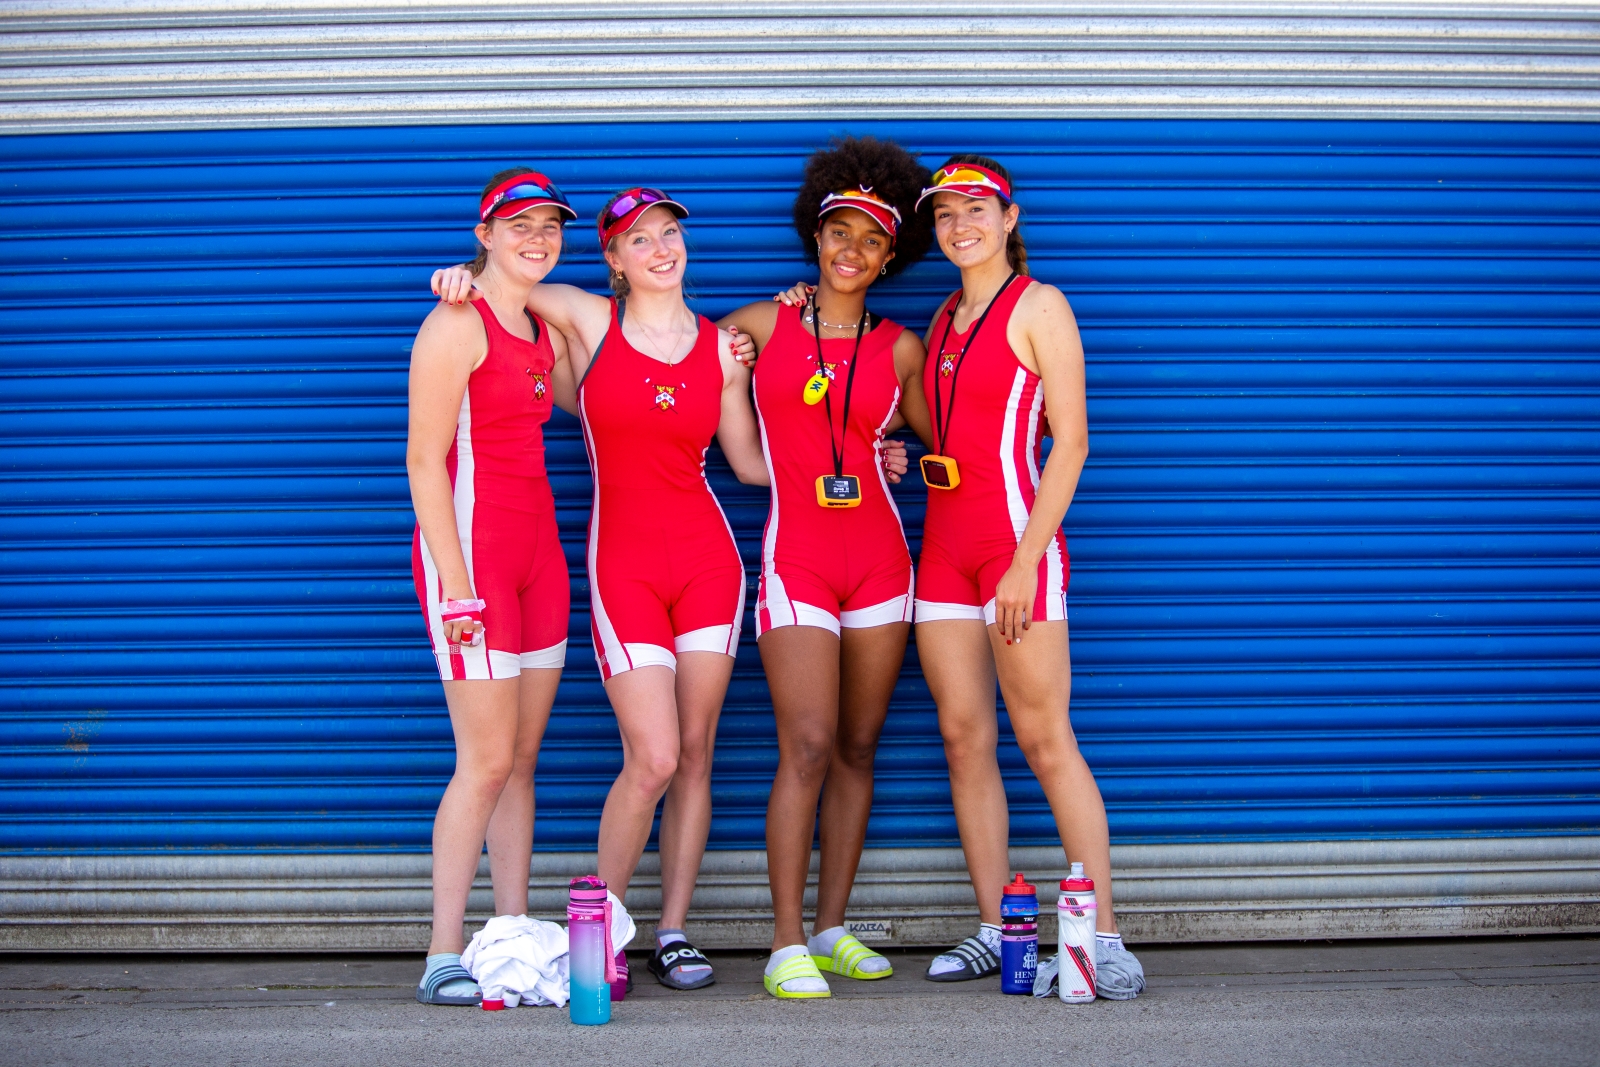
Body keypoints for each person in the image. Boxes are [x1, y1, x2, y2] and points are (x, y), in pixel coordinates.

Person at [433, 189, 766, 993]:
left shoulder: (724, 349)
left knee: (694, 755)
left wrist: (867, 456)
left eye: (670, 234)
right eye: (638, 240)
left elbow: (753, 464)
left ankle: (674, 929)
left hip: (710, 564)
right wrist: (457, 276)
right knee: (650, 756)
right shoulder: (585, 317)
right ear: (612, 259)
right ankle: (602, 930)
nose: (660, 249)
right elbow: (501, 283)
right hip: (623, 564)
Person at [908, 156, 1145, 998]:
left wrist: (1022, 563)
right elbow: (951, 436)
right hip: (942, 553)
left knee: (1046, 741)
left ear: (1010, 217)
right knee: (964, 737)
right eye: (944, 214)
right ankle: (992, 925)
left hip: (1017, 551)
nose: (959, 224)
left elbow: (1071, 442)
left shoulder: (1039, 306)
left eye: (976, 209)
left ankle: (1105, 936)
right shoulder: (942, 315)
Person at [716, 138, 933, 999]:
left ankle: (836, 926)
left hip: (882, 560)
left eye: (870, 239)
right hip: (796, 558)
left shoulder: (904, 347)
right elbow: (656, 349)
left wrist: (905, 459)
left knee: (856, 743)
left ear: (890, 257)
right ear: (816, 235)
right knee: (804, 744)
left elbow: (939, 441)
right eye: (838, 231)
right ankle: (784, 940)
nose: (850, 249)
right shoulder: (760, 326)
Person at [408, 168, 578, 1006]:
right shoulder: (455, 322)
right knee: (482, 761)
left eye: (550, 225)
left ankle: (508, 935)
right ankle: (443, 951)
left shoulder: (544, 327)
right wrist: (457, 586)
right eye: (519, 224)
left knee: (520, 762)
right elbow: (422, 463)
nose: (536, 237)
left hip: (540, 563)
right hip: (472, 565)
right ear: (485, 233)